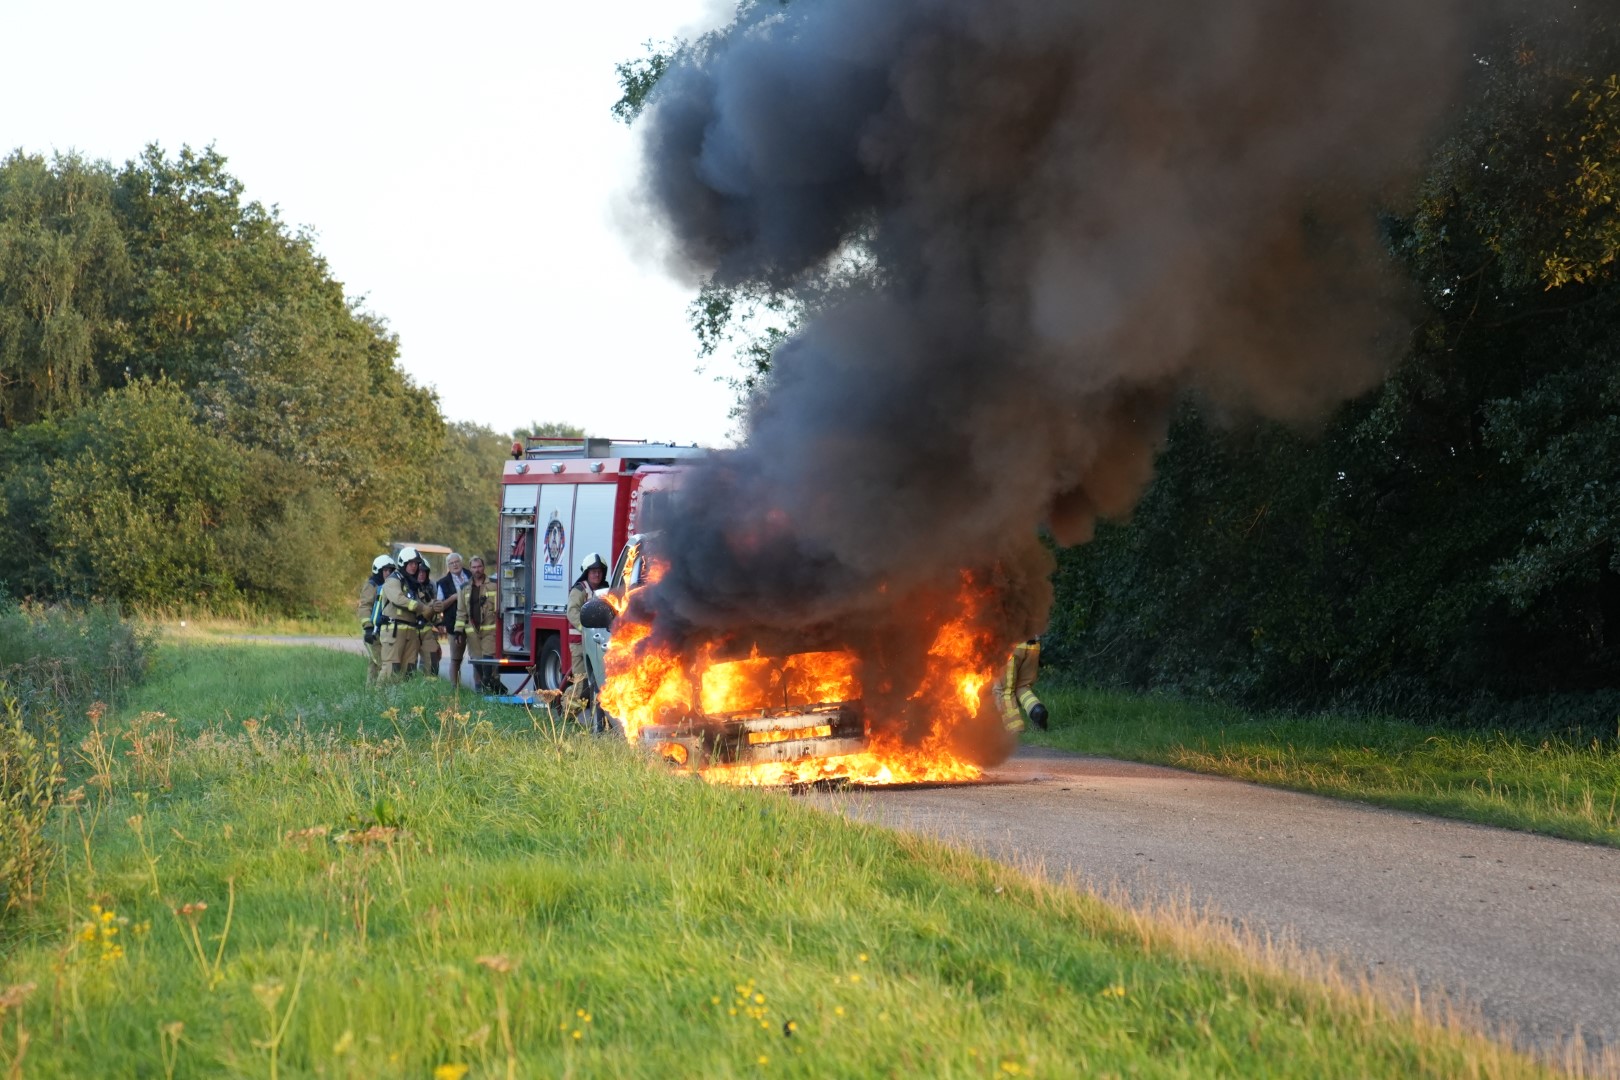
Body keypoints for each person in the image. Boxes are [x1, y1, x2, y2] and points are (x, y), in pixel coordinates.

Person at [377, 547, 443, 680]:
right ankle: (379, 697)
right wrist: (422, 607)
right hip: (394, 630)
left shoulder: (414, 584)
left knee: (408, 670)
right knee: (390, 668)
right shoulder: (392, 580)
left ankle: (400, 699)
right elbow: (398, 599)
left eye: (416, 564)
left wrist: (433, 608)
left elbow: (424, 610)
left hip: (411, 631)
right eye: (411, 563)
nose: (414, 567)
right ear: (403, 563)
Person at [456, 556, 502, 693]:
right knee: (477, 664)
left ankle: (494, 692)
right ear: (470, 569)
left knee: (489, 663)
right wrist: (458, 631)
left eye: (479, 567)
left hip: (490, 631)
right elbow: (461, 611)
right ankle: (484, 692)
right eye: (474, 567)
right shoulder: (464, 588)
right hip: (472, 633)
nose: (477, 570)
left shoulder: (494, 585)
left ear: (484, 568)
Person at [566, 552, 609, 698]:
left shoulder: (606, 590)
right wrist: (585, 630)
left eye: (599, 571)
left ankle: (593, 719)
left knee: (599, 684)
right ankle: (567, 712)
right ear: (587, 573)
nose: (597, 575)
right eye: (593, 571)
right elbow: (572, 612)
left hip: (599, 643)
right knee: (581, 685)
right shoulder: (579, 590)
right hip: (580, 644)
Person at [995, 638, 1049, 733]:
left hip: (1011, 646)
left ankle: (1015, 728)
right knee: (1022, 687)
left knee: (1006, 690)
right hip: (1033, 646)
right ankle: (1037, 710)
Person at [357, 553, 394, 686]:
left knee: (374, 663)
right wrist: (367, 627)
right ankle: (380, 692)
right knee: (382, 663)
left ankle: (370, 691)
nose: (388, 573)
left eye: (390, 570)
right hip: (373, 632)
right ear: (378, 571)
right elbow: (365, 606)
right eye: (385, 570)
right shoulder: (371, 585)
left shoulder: (390, 586)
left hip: (385, 630)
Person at [437, 553, 472, 686]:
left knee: (477, 659)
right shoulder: (443, 583)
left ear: (461, 563)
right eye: (452, 563)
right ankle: (455, 688)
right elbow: (440, 606)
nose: (455, 565)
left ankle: (481, 688)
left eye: (457, 562)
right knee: (456, 659)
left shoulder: (471, 576)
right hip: (454, 625)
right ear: (448, 566)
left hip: (474, 624)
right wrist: (453, 598)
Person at [414, 560, 444, 678]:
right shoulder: (408, 585)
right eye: (419, 572)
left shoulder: (431, 585)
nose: (421, 574)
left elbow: (435, 607)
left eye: (424, 572)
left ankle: (429, 687)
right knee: (409, 661)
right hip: (411, 628)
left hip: (428, 628)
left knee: (432, 660)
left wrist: (439, 623)